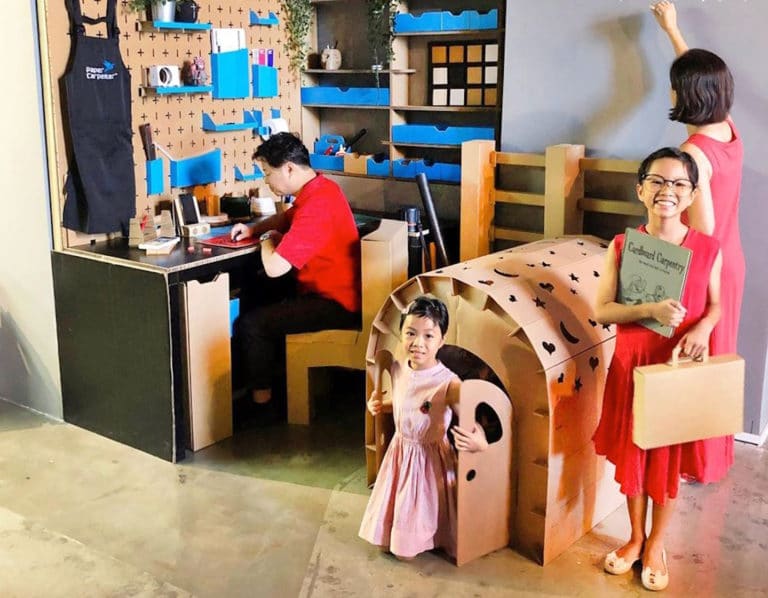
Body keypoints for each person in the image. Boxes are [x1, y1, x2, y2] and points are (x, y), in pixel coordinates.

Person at [592, 147, 722, 591]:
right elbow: (602, 309)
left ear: (692, 195)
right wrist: (649, 308)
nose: (667, 190)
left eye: (679, 183)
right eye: (657, 181)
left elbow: (716, 306)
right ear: (640, 190)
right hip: (632, 366)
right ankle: (635, 538)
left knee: (666, 461)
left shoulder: (708, 249)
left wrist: (703, 327)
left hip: (675, 370)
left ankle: (657, 544)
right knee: (634, 454)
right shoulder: (622, 245)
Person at [652, 0, 744, 481]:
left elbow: (702, 235)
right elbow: (699, 79)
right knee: (715, 360)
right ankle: (709, 460)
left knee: (695, 359)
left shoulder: (691, 154)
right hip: (733, 263)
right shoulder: (726, 131)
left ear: (686, 95)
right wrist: (673, 31)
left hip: (708, 270)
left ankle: (695, 465)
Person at [230, 132, 361, 421]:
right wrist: (253, 229)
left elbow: (275, 267)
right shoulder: (321, 189)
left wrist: (266, 238)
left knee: (252, 325)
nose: (267, 181)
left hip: (335, 303)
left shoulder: (316, 205)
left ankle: (262, 406)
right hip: (327, 291)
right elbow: (286, 218)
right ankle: (269, 384)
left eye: (268, 173)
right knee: (259, 296)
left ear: (288, 168)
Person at [358, 296, 489, 561]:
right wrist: (379, 405)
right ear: (401, 334)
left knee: (406, 549)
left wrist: (480, 443)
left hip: (428, 460)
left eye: (428, 336)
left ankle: (422, 537)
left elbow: (472, 423)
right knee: (385, 543)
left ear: (441, 341)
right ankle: (399, 532)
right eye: (411, 333)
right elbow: (407, 403)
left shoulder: (449, 383)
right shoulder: (399, 369)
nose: (418, 343)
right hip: (400, 452)